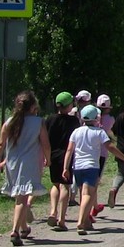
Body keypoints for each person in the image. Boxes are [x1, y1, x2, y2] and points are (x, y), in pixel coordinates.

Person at [0, 91, 51, 246]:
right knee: (22, 198)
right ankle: (15, 231)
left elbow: (1, 144)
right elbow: (45, 144)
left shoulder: (9, 122)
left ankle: (24, 228)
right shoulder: (38, 122)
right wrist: (48, 159)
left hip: (12, 164)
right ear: (32, 106)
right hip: (29, 163)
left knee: (20, 197)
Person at [63, 105, 124, 235]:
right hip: (91, 166)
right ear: (96, 118)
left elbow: (69, 150)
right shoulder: (99, 132)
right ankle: (81, 222)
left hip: (77, 167)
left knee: (83, 194)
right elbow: (110, 147)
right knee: (88, 195)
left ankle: (86, 221)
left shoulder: (76, 131)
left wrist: (65, 168)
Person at [44, 91, 81, 230]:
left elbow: (45, 139)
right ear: (69, 105)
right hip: (67, 156)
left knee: (55, 185)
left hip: (53, 155)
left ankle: (53, 211)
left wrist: (45, 156)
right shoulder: (73, 121)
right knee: (65, 186)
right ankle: (61, 219)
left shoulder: (50, 119)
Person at [91, 94, 114, 218]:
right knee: (95, 181)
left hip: (91, 152)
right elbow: (110, 132)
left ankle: (94, 205)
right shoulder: (110, 119)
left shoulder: (92, 119)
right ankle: (92, 207)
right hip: (102, 153)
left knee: (89, 181)